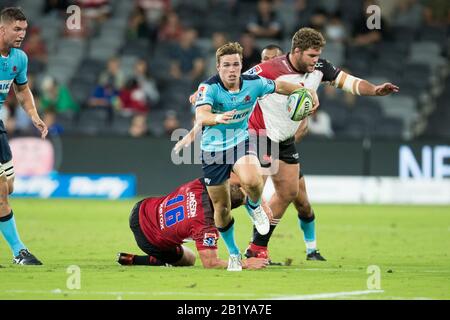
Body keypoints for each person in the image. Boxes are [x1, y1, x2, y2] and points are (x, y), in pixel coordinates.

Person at [242, 27, 398, 262]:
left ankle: (257, 247)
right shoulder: (269, 69)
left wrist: (374, 90)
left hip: (284, 139)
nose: (316, 61)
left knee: (289, 192)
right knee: (251, 192)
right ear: (296, 51)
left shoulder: (320, 68)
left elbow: (350, 82)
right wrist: (205, 98)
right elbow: (235, 85)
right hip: (259, 135)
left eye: (318, 55)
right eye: (311, 56)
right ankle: (207, 224)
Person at [191, 42, 316, 271]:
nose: (232, 69)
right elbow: (201, 114)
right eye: (226, 65)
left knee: (252, 180)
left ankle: (255, 206)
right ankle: (234, 253)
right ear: (218, 67)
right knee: (222, 208)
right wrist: (216, 118)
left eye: (236, 64)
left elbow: (279, 86)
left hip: (240, 142)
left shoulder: (254, 83)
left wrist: (304, 91)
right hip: (213, 151)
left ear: (241, 66)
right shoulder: (208, 88)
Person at [117, 178, 268, 270]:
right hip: (148, 239)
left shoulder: (200, 184)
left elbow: (233, 177)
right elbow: (211, 263)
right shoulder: (206, 225)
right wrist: (246, 263)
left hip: (141, 208)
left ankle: (128, 258)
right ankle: (139, 260)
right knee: (189, 259)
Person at [0, 7, 48, 265]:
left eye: (24, 30)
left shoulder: (19, 58)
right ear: (2, 29)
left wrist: (33, 114)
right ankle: (19, 251)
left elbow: (22, 91)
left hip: (0, 127)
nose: (21, 34)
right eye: (16, 29)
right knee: (0, 193)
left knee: (9, 186)